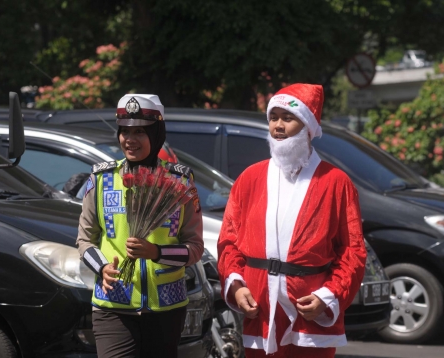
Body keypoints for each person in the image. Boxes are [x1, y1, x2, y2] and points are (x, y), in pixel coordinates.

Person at [217, 83, 367, 358]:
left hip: (310, 309)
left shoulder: (336, 182)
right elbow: (229, 241)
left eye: (288, 118)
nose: (278, 126)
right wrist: (236, 286)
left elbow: (353, 250)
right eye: (273, 118)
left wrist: (328, 296)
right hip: (260, 308)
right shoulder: (250, 178)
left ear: (307, 127)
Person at [76, 94, 204, 358]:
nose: (129, 140)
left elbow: (195, 247)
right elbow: (85, 239)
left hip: (167, 309)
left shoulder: (180, 181)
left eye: (140, 132)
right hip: (113, 305)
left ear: (156, 133)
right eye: (124, 131)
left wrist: (156, 252)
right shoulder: (101, 179)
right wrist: (102, 267)